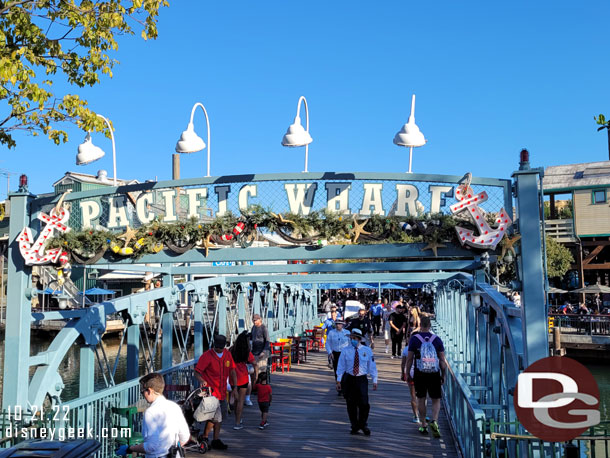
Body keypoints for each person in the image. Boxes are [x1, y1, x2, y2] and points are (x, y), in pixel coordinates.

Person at [116, 372, 190, 457]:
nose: (143, 395)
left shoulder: (150, 413)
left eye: (142, 391)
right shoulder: (174, 406)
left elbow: (151, 447)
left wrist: (130, 448)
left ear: (150, 391)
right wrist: (171, 448)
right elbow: (185, 436)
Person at [405, 316, 448, 438]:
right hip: (434, 373)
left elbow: (409, 359)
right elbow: (442, 361)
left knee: (421, 398)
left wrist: (408, 373)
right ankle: (434, 420)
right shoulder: (437, 340)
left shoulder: (414, 339)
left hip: (420, 372)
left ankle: (423, 424)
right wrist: (443, 375)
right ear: (430, 325)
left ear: (420, 325)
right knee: (436, 399)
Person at [194, 334, 237, 451]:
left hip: (223, 391)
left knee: (219, 417)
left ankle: (207, 437)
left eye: (221, 347)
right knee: (216, 417)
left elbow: (232, 371)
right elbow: (197, 372)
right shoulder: (207, 356)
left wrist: (235, 388)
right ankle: (213, 439)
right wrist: (202, 380)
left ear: (224, 346)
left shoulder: (227, 355)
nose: (218, 349)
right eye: (217, 347)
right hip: (211, 392)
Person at [336, 328, 378, 436]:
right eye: (351, 338)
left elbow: (372, 366)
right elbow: (341, 366)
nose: (352, 340)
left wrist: (375, 379)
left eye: (354, 338)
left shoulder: (367, 350)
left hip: (361, 379)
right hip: (349, 378)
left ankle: (363, 424)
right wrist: (339, 380)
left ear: (359, 339)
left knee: (364, 403)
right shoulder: (345, 351)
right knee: (351, 404)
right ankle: (354, 425)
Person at [230, 331, 257, 430]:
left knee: (237, 400)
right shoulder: (246, 352)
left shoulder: (231, 350)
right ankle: (237, 422)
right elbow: (255, 364)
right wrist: (256, 375)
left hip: (233, 378)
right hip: (243, 378)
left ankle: (237, 418)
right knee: (241, 400)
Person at [326, 319, 351, 393]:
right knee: (337, 370)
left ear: (342, 325)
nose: (338, 325)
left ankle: (344, 385)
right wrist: (330, 352)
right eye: (336, 324)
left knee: (345, 370)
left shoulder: (347, 332)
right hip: (335, 353)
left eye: (339, 324)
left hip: (344, 353)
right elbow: (327, 343)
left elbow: (350, 344)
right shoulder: (331, 333)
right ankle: (339, 386)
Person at [401, 335, 419, 423]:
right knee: (423, 396)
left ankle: (416, 416)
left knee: (413, 396)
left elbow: (403, 363)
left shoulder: (406, 349)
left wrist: (403, 374)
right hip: (421, 374)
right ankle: (424, 413)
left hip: (410, 374)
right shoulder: (422, 347)